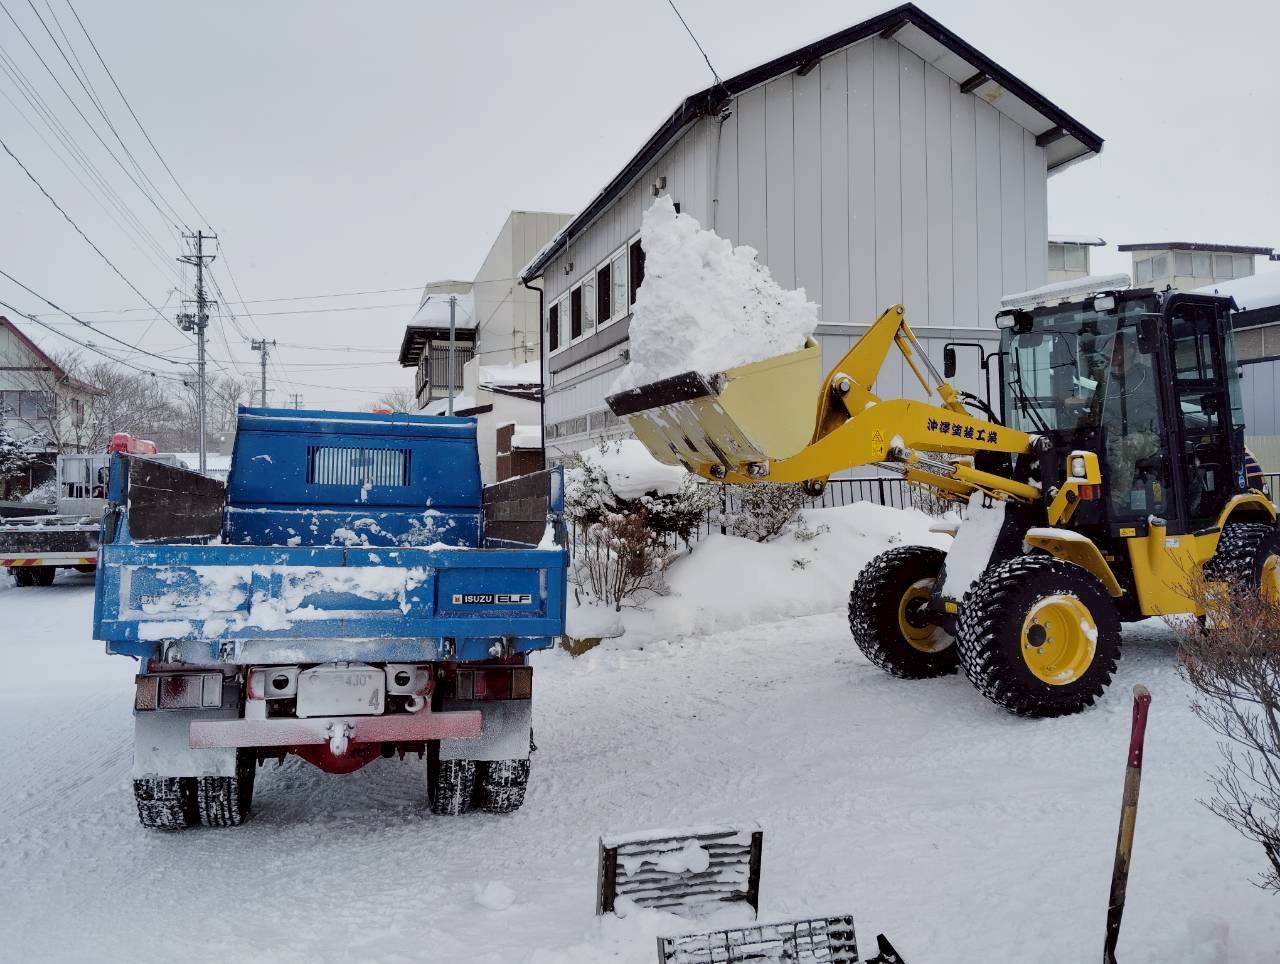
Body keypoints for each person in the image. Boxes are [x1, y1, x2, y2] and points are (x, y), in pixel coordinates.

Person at [1094, 328, 1162, 516]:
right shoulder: (1106, 382)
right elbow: (1098, 411)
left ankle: (1115, 502)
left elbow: (1157, 408)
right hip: (1114, 432)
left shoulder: (1148, 376)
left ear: (1131, 350)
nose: (1110, 355)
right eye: (1108, 350)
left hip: (1147, 434)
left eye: (1115, 350)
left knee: (1126, 447)